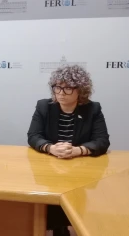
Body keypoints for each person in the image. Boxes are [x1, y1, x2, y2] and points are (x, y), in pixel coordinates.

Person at [27, 64, 110, 236]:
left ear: (81, 90)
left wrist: (77, 151)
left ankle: (67, 225)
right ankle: (52, 227)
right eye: (57, 87)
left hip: (79, 171)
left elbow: (102, 141)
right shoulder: (43, 106)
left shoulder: (93, 109)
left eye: (67, 89)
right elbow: (33, 136)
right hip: (50, 168)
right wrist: (51, 148)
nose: (60, 93)